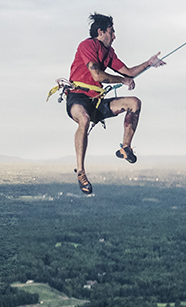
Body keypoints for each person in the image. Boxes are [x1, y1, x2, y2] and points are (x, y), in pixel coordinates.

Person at [63, 13, 162, 194]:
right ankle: (81, 172)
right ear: (100, 32)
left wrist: (149, 63)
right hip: (78, 97)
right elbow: (97, 75)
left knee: (134, 103)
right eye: (112, 31)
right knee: (83, 119)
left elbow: (129, 72)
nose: (114, 36)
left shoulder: (109, 53)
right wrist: (122, 81)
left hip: (96, 102)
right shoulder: (87, 45)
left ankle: (125, 148)